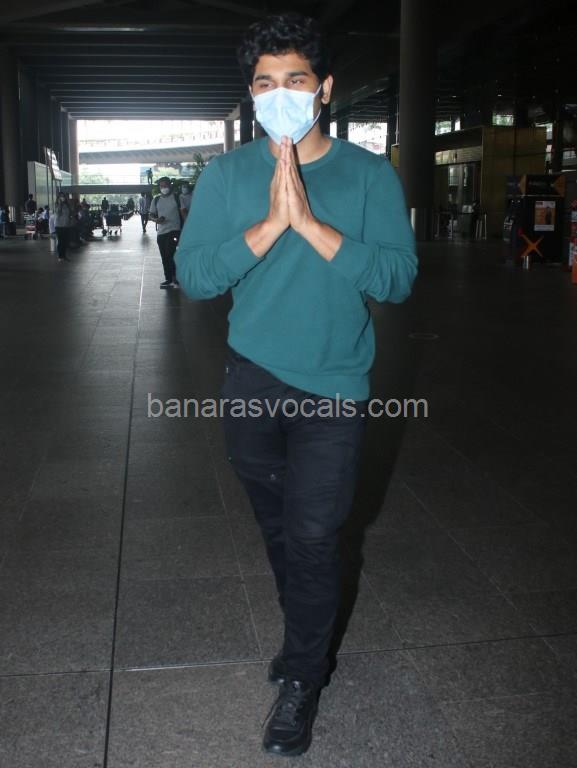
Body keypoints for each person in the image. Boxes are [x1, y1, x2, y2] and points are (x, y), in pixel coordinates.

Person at [175, 12, 417, 757]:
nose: (279, 95)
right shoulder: (226, 176)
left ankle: (304, 678)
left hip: (334, 387)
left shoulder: (369, 176)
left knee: (314, 535)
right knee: (280, 530)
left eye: (295, 79)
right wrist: (270, 224)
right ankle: (303, 637)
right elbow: (195, 277)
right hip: (250, 379)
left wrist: (310, 223)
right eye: (264, 83)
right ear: (251, 94)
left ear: (325, 88)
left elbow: (396, 279)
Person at [149, 177, 182, 288]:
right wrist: (156, 220)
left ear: (170, 186)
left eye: (166, 185)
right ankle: (168, 279)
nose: (164, 188)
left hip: (174, 230)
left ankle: (175, 278)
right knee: (164, 256)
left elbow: (183, 212)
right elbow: (151, 214)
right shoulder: (156, 200)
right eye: (162, 186)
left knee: (170, 253)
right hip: (161, 232)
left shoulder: (177, 198)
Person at [54, 191, 74, 261]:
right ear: (58, 198)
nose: (63, 198)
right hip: (59, 225)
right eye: (61, 196)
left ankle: (64, 255)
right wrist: (60, 204)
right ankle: (60, 256)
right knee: (61, 241)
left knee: (65, 241)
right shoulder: (57, 205)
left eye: (63, 196)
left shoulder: (67, 205)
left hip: (66, 225)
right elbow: (58, 213)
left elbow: (70, 213)